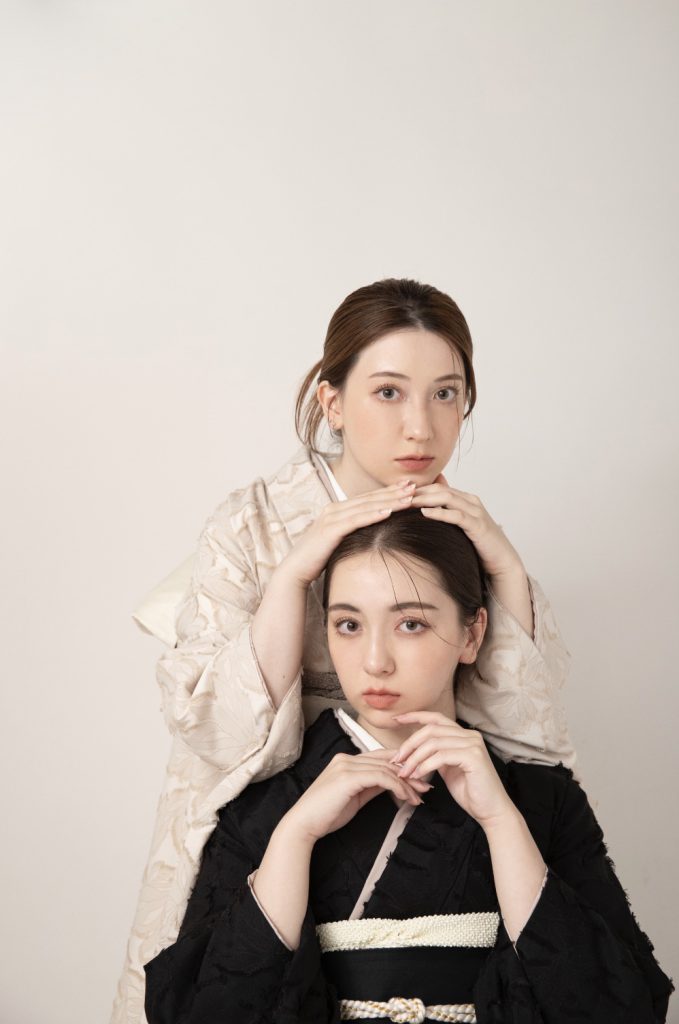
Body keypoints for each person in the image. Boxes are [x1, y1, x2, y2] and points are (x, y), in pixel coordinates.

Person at [112, 278, 575, 1022]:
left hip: (424, 833)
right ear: (332, 402)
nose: (420, 427)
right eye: (388, 393)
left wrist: (506, 569)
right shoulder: (254, 524)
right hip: (272, 833)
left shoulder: (458, 526)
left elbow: (525, 737)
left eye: (446, 394)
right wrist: (294, 573)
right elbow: (219, 732)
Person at [143, 508, 673, 1022]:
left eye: (411, 624)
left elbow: (619, 1008)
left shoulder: (541, 799)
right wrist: (295, 836)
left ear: (471, 634)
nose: (375, 661)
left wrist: (501, 821)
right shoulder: (267, 805)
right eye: (348, 624)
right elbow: (201, 1013)